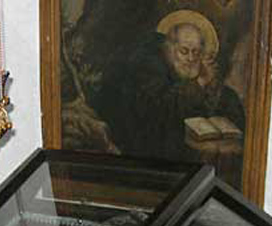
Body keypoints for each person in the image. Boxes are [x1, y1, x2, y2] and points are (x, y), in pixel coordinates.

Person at [95, 11, 245, 162]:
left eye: (196, 52)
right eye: (184, 51)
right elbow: (158, 113)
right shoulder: (150, 72)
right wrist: (199, 84)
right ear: (169, 49)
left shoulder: (213, 84)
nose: (191, 58)